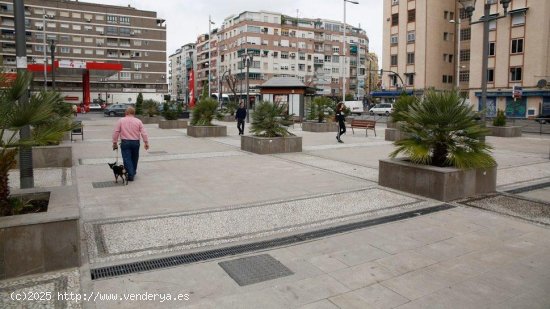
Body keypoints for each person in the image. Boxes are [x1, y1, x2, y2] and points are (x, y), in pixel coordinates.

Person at [112, 107, 149, 182]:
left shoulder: (121, 120)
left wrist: (114, 142)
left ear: (126, 113)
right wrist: (146, 142)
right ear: (134, 113)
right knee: (135, 158)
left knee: (127, 158)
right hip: (135, 142)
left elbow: (116, 132)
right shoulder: (138, 121)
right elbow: (144, 132)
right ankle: (133, 172)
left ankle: (130, 174)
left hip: (125, 142)